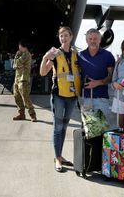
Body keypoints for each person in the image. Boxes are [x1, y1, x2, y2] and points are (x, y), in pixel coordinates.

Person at [40, 26, 81, 172]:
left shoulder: (76, 55)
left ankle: (60, 155)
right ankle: (57, 159)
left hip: (71, 97)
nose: (63, 38)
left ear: (71, 37)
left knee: (64, 127)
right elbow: (43, 72)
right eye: (61, 36)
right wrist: (45, 57)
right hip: (58, 96)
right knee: (57, 128)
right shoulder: (55, 54)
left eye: (66, 35)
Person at [77, 28, 115, 118]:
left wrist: (97, 83)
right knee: (88, 129)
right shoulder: (79, 56)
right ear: (86, 40)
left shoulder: (108, 55)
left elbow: (111, 76)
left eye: (95, 39)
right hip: (85, 99)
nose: (93, 41)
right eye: (90, 39)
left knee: (102, 129)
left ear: (100, 40)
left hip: (102, 99)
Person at [12, 39, 37, 122]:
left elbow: (17, 63)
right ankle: (21, 114)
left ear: (22, 46)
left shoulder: (26, 54)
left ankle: (32, 114)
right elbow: (14, 65)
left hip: (23, 79)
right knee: (17, 96)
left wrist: (16, 58)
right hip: (17, 78)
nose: (18, 48)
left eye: (19, 46)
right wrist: (17, 64)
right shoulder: (21, 54)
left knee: (25, 97)